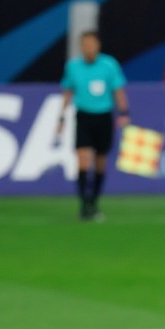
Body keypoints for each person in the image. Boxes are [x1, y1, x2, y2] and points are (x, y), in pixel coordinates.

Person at [57, 30, 129, 220]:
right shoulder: (73, 67)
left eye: (91, 44)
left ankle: (94, 201)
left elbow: (118, 90)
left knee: (100, 161)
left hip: (104, 116)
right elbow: (67, 92)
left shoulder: (109, 65)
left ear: (98, 46)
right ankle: (84, 204)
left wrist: (124, 113)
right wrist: (61, 118)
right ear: (81, 47)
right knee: (82, 158)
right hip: (83, 116)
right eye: (85, 44)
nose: (88, 48)